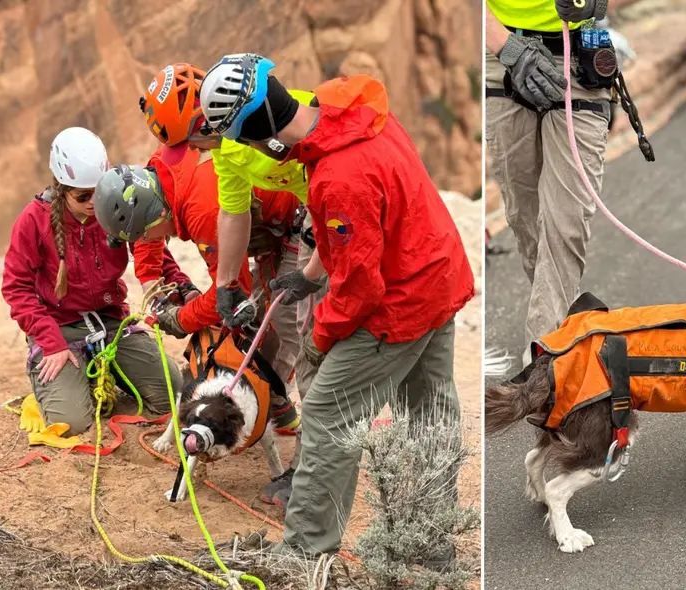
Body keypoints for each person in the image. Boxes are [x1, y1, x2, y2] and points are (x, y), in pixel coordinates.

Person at [197, 53, 476, 562]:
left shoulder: (336, 176)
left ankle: (305, 551)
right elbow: (359, 235)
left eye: (245, 139)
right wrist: (306, 280)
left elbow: (359, 291)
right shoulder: (349, 109)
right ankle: (430, 547)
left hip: (403, 301)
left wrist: (320, 338)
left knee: (327, 410)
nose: (250, 150)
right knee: (428, 410)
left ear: (262, 132)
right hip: (440, 274)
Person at [138, 63, 324, 503]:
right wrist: (160, 287)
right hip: (276, 227)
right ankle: (273, 405)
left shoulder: (200, 193)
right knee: (259, 327)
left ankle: (303, 462)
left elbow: (234, 282)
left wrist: (186, 315)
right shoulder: (182, 159)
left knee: (304, 337)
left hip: (304, 222)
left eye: (192, 142)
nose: (190, 153)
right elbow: (160, 236)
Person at [90, 150, 308, 486]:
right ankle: (268, 399)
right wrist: (155, 288)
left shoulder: (202, 211)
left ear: (156, 215)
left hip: (296, 221)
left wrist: (182, 318)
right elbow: (147, 240)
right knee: (248, 324)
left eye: (147, 233)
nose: (150, 241)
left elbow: (232, 292)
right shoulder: (156, 174)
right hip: (264, 226)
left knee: (284, 326)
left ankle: (278, 421)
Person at [1, 127, 188, 436]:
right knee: (71, 424)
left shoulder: (118, 202)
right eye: (82, 196)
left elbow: (150, 246)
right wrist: (50, 342)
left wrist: (181, 286)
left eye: (97, 191)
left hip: (110, 322)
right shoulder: (33, 220)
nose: (92, 202)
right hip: (58, 328)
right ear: (62, 189)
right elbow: (15, 288)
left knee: (173, 394)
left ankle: (111, 365)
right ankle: (67, 375)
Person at [484, 0, 613, 365]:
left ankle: (542, 364)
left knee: (566, 222)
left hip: (578, 61)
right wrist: (505, 47)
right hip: (501, 58)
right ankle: (559, 331)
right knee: (527, 223)